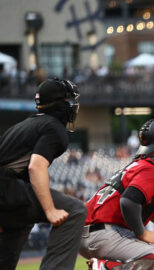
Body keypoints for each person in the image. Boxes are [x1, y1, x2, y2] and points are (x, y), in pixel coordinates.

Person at [80, 117, 154, 270]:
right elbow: (128, 201)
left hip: (90, 234)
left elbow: (144, 204)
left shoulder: (138, 165)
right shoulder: (149, 170)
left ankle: (111, 266)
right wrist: (142, 233)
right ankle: (108, 268)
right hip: (105, 235)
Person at [0, 78, 87, 270]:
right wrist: (50, 210)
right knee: (75, 211)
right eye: (69, 100)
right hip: (6, 189)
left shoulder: (22, 125)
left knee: (22, 222)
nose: (72, 105)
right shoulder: (54, 128)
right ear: (61, 103)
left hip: (8, 193)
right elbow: (36, 166)